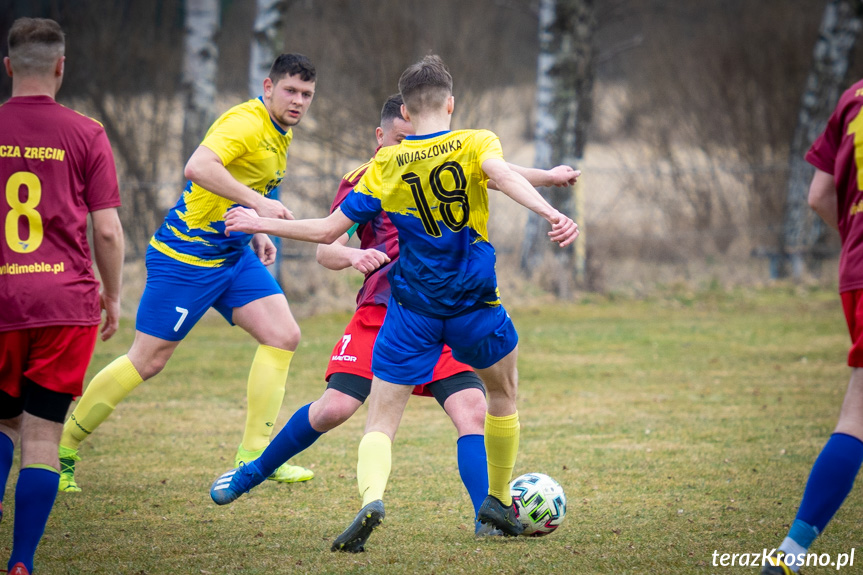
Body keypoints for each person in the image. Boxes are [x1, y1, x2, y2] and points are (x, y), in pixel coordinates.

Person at [222, 55, 579, 552]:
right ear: (450, 103)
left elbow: (323, 231)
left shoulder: (388, 165)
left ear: (407, 117)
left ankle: (379, 499)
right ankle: (495, 499)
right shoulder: (475, 142)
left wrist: (259, 221)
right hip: (469, 304)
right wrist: (551, 212)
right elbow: (497, 172)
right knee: (500, 397)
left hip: (412, 309)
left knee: (391, 419)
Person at [56, 53, 318, 494]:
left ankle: (254, 459)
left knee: (283, 335)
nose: (298, 101)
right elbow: (198, 167)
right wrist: (258, 205)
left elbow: (243, 182)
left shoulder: (279, 132)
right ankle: (63, 448)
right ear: (269, 87)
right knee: (148, 360)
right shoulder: (246, 121)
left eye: (306, 94)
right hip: (187, 258)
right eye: (290, 91)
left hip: (231, 255)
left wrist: (254, 229)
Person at [0, 18, 125, 575]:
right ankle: (22, 563)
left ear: (8, 67)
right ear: (60, 66)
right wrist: (114, 295)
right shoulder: (86, 132)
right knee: (43, 435)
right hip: (64, 303)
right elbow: (107, 231)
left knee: (2, 423)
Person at [759, 79, 863, 575]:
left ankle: (792, 551)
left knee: (857, 416)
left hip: (856, 271)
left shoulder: (854, 97)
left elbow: (820, 195)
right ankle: (790, 553)